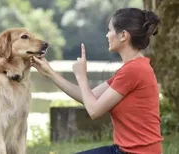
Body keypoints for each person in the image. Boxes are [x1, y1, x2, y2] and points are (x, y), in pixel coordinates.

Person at [30, 8, 163, 154]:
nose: (107, 35)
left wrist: (81, 76)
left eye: (109, 30)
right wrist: (50, 73)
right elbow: (89, 97)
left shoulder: (133, 70)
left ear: (123, 35)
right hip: (123, 150)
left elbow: (93, 111)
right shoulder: (132, 68)